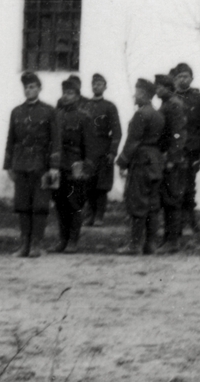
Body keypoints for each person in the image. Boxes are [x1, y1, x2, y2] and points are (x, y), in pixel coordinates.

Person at [3, 71, 60, 258]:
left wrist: (54, 166)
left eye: (32, 87)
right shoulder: (16, 112)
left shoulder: (49, 111)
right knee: (22, 205)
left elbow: (56, 140)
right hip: (20, 164)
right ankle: (24, 244)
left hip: (41, 165)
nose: (29, 90)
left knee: (40, 205)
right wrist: (8, 165)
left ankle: (37, 244)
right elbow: (11, 140)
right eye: (26, 87)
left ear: (39, 88)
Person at [114, 79, 164, 254]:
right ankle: (150, 244)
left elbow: (133, 141)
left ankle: (134, 245)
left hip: (142, 161)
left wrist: (122, 161)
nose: (134, 95)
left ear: (143, 94)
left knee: (137, 202)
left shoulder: (141, 114)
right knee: (152, 204)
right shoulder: (158, 114)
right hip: (156, 161)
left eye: (137, 92)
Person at [171, 63, 200, 236]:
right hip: (174, 150)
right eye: (179, 76)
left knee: (189, 186)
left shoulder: (199, 98)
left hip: (192, 149)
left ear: (192, 78)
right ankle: (176, 223)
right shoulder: (171, 98)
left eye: (186, 76)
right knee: (174, 187)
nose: (182, 79)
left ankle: (190, 221)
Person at [53, 76, 91, 253]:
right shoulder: (57, 116)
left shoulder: (84, 117)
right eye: (64, 93)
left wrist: (85, 166)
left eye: (70, 93)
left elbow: (90, 146)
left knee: (74, 204)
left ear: (77, 96)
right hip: (58, 164)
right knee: (60, 202)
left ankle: (73, 242)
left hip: (75, 165)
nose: (66, 96)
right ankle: (63, 240)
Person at [153, 74, 188, 253]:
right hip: (165, 158)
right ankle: (168, 238)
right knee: (167, 199)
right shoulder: (166, 104)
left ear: (167, 88)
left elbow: (178, 134)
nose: (156, 89)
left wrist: (172, 159)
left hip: (172, 161)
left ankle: (172, 241)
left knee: (172, 199)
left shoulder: (173, 105)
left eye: (159, 87)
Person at [80, 73, 121, 226]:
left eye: (100, 84)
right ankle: (89, 215)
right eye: (94, 83)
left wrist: (112, 152)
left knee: (101, 185)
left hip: (103, 149)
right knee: (88, 184)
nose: (96, 86)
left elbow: (117, 131)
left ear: (105, 87)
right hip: (88, 149)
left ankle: (99, 216)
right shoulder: (85, 105)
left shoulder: (110, 107)